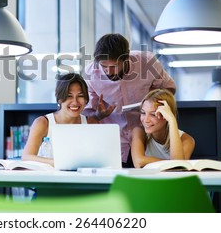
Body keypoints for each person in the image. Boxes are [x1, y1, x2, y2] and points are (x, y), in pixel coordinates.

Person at [83, 33, 176, 167]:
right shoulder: (90, 74)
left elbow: (169, 89)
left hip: (149, 139)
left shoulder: (147, 63)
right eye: (104, 66)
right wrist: (99, 114)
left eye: (114, 66)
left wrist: (152, 103)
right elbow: (85, 115)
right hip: (113, 143)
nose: (109, 72)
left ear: (126, 58)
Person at [22, 73, 98, 166]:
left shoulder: (91, 123)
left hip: (81, 179)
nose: (75, 102)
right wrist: (58, 163)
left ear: (86, 99)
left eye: (80, 96)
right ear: (59, 99)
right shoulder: (43, 123)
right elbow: (27, 157)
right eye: (69, 96)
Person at [130, 89, 195, 168]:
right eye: (143, 113)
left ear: (166, 115)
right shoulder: (139, 132)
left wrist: (172, 121)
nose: (146, 120)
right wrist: (172, 163)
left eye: (153, 114)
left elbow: (178, 168)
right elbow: (139, 162)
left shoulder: (187, 140)